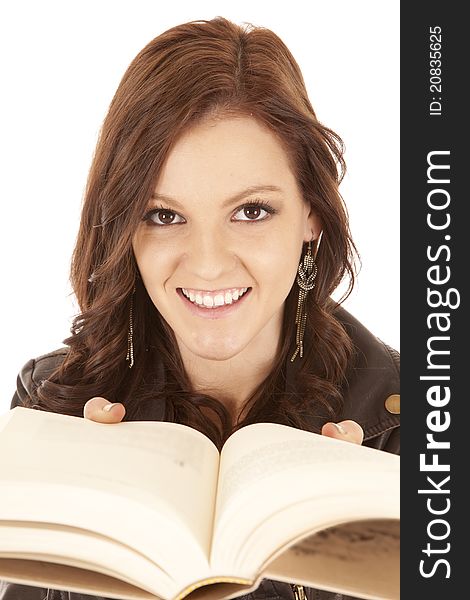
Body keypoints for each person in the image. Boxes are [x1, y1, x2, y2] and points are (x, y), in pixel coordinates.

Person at [0, 16, 400, 600]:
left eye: (252, 211)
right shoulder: (53, 406)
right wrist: (87, 559)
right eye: (164, 216)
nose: (208, 264)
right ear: (124, 229)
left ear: (312, 214)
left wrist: (354, 569)